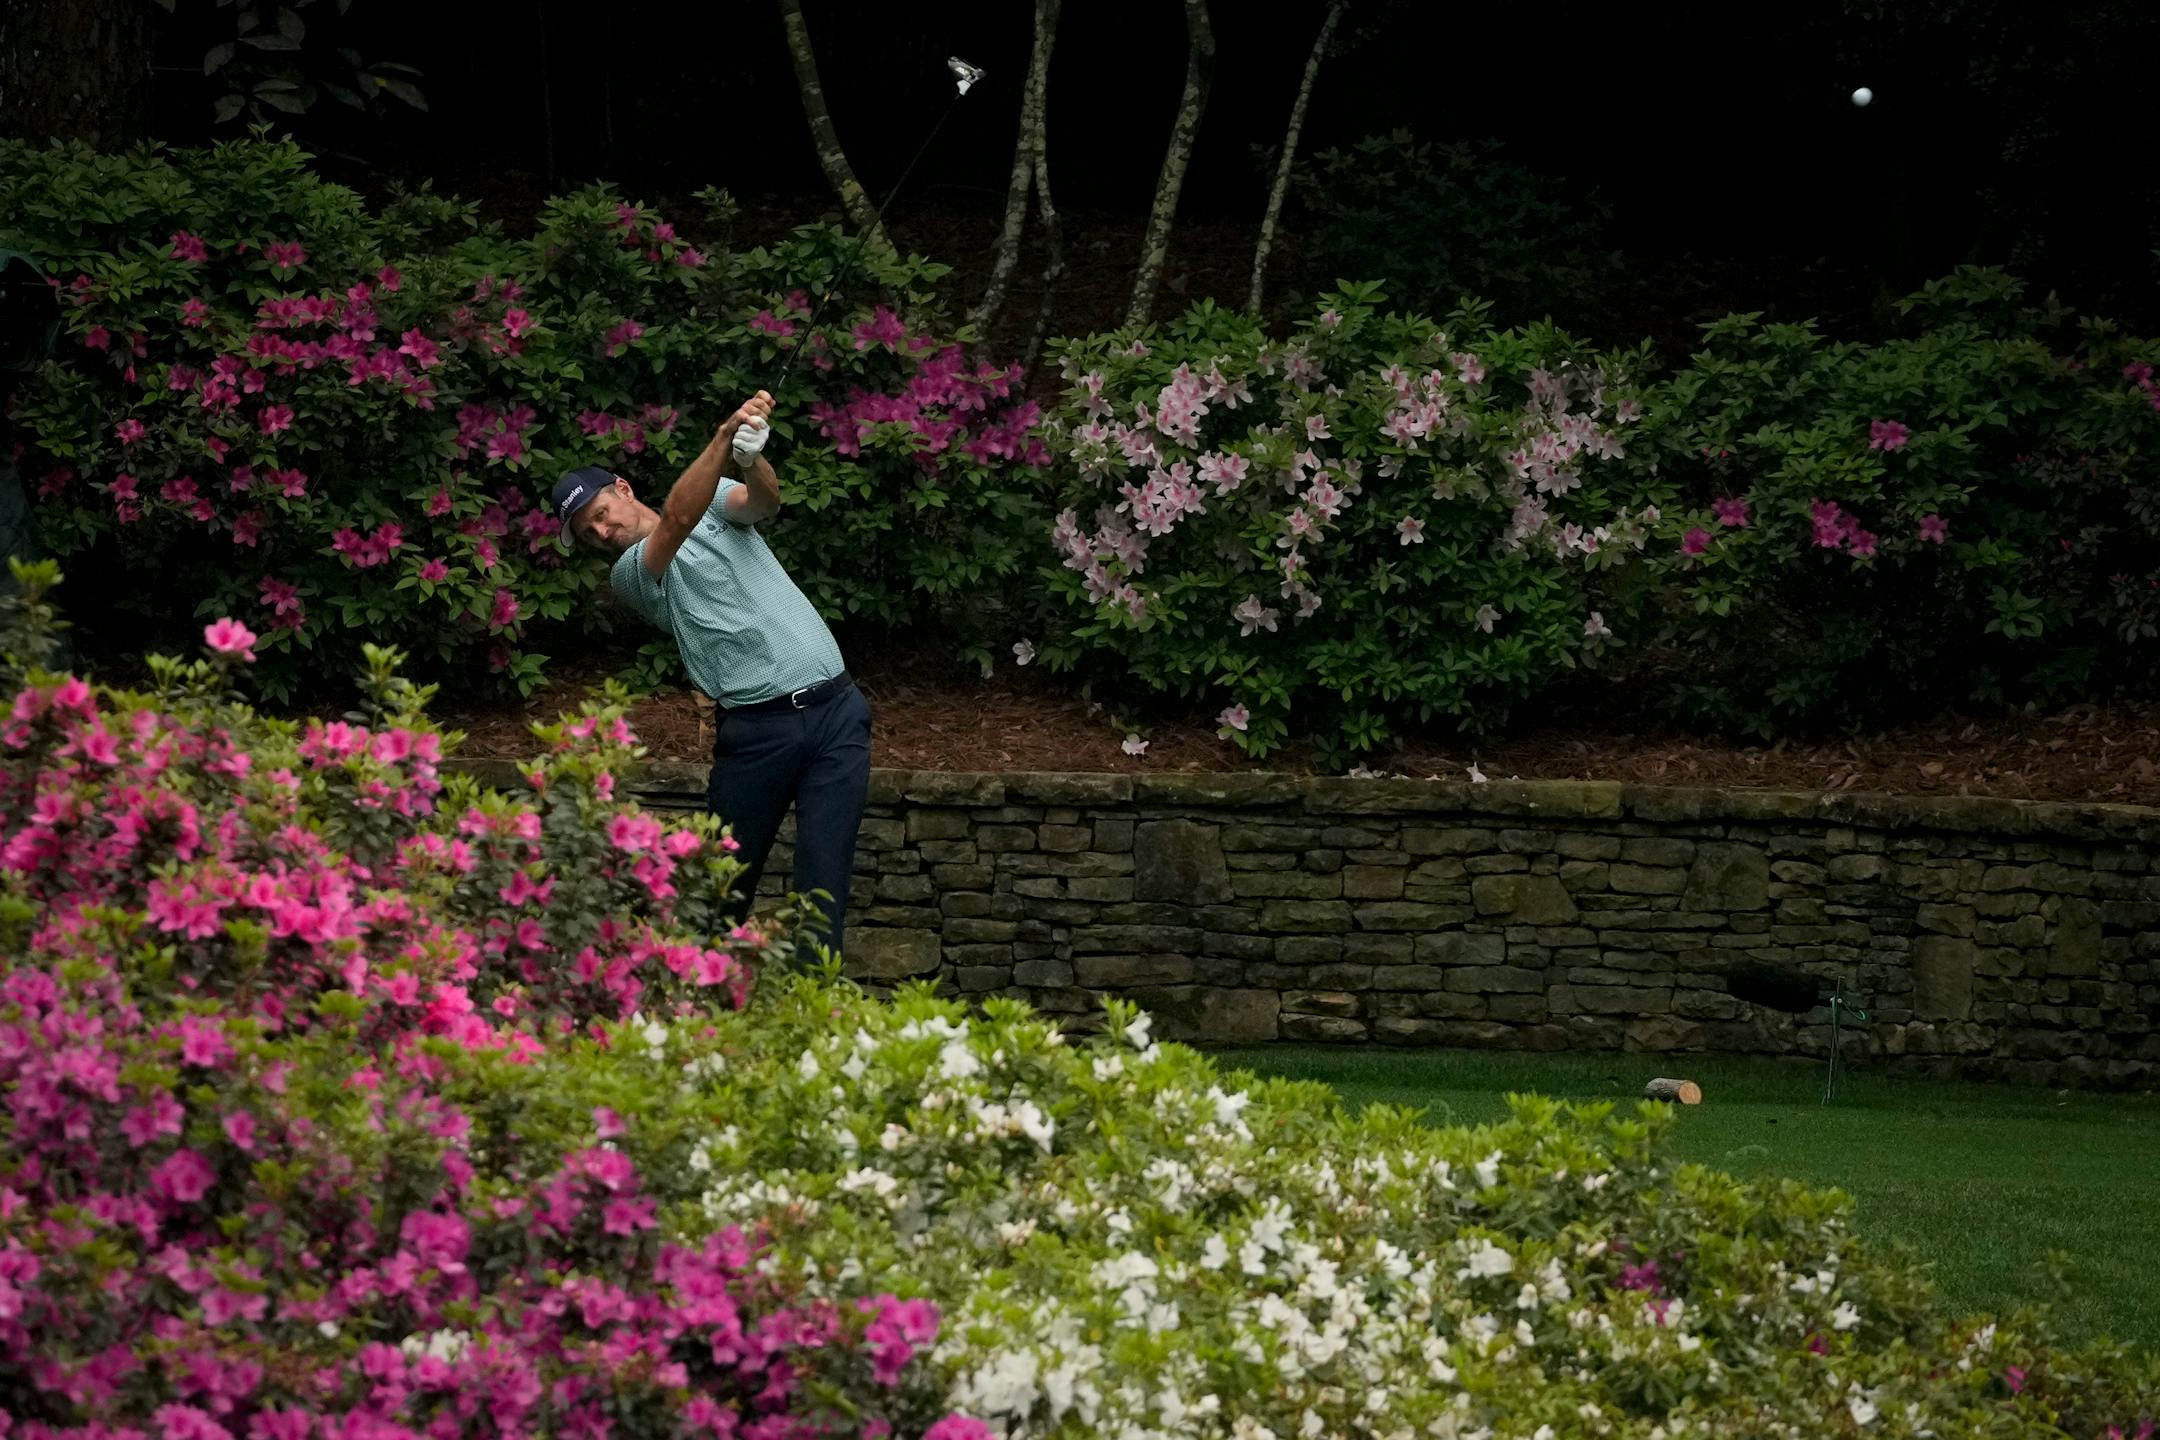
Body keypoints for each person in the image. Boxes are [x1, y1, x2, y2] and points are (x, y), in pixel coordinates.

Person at [551, 391, 870, 957]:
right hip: (757, 734)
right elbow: (675, 518)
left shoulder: (716, 496)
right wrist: (725, 437)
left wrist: (751, 457)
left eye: (599, 515)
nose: (599, 533)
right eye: (586, 534)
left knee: (825, 885)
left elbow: (764, 503)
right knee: (720, 890)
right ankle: (697, 1010)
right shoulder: (632, 573)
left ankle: (815, 1016)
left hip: (836, 713)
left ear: (623, 489)